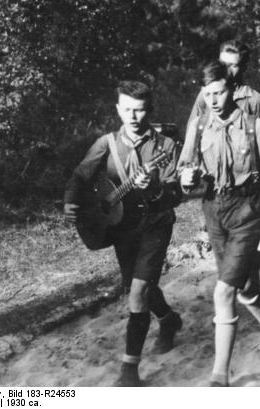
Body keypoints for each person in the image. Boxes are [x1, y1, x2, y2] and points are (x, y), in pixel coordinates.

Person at [64, 81, 183, 387]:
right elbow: (80, 176)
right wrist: (70, 202)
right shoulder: (106, 143)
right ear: (118, 109)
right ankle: (169, 320)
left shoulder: (165, 147)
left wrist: (154, 187)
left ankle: (129, 371)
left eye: (139, 109)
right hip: (122, 227)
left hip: (156, 224)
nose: (133, 115)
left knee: (138, 292)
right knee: (137, 285)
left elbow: (175, 194)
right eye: (127, 108)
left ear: (150, 109)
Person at [180, 62, 260, 387]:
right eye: (207, 93)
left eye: (219, 91)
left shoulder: (255, 126)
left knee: (223, 291)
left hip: (248, 210)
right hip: (214, 210)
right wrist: (187, 176)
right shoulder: (198, 126)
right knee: (243, 287)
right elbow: (185, 167)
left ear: (232, 89)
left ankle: (219, 376)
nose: (213, 99)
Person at [184, 40, 260, 126]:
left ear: (243, 67)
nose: (227, 70)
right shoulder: (206, 94)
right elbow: (192, 130)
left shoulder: (254, 100)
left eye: (234, 66)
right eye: (223, 63)